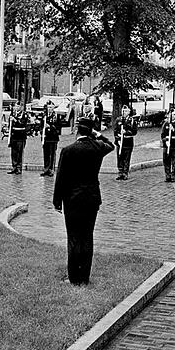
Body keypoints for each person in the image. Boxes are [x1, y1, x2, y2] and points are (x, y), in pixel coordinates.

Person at [53, 116, 115, 285]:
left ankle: (74, 277)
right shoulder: (98, 147)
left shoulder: (68, 150)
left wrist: (57, 200)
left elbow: (61, 177)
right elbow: (111, 144)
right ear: (90, 131)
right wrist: (98, 134)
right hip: (92, 197)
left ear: (77, 131)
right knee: (87, 236)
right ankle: (85, 277)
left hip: (72, 199)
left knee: (73, 237)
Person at [160, 106, 175, 182]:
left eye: (174, 114)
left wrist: (173, 129)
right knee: (166, 160)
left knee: (174, 161)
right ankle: (167, 175)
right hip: (167, 144)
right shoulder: (165, 124)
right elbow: (162, 135)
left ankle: (173, 175)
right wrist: (165, 141)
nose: (172, 116)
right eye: (171, 114)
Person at [113, 105, 137, 180]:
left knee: (126, 158)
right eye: (123, 111)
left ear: (129, 112)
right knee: (120, 157)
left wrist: (126, 132)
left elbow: (134, 131)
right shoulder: (118, 120)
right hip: (120, 142)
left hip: (127, 142)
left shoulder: (132, 121)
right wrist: (118, 139)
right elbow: (115, 131)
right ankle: (120, 172)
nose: (124, 112)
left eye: (126, 111)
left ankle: (125, 173)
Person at [40, 101, 63, 177]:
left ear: (54, 108)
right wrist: (42, 131)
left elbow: (58, 128)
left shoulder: (56, 116)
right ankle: (46, 169)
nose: (49, 109)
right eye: (48, 107)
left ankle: (51, 170)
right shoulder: (44, 116)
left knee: (52, 154)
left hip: (53, 138)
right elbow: (40, 126)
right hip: (45, 138)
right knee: (46, 154)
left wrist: (50, 127)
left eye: (51, 107)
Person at [7, 103, 30, 175]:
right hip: (14, 135)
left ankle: (19, 167)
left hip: (21, 135)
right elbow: (10, 125)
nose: (16, 108)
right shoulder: (13, 114)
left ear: (21, 107)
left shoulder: (24, 114)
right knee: (13, 152)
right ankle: (14, 166)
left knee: (19, 152)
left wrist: (15, 120)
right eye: (15, 106)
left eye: (18, 106)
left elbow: (23, 123)